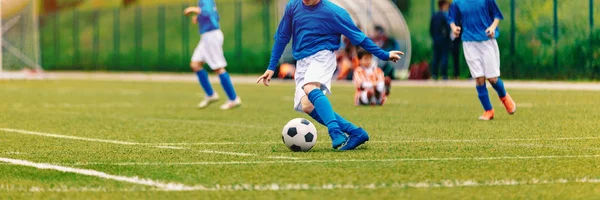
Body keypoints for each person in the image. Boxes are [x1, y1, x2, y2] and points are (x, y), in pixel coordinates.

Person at [256, 0, 403, 150]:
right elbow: (282, 37)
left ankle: (335, 131)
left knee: (310, 87)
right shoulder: (292, 7)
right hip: (302, 61)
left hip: (323, 56)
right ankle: (356, 133)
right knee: (306, 105)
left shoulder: (334, 12)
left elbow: (359, 37)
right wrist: (271, 67)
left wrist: (384, 55)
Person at [448, 0, 516, 120]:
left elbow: (497, 16)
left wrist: (492, 27)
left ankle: (504, 97)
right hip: (469, 43)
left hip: (487, 41)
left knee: (492, 78)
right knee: (479, 78)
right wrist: (454, 28)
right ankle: (488, 110)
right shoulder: (458, 2)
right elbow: (452, 18)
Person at [184, 0, 241, 110]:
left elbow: (208, 11)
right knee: (195, 64)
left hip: (211, 36)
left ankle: (233, 99)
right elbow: (215, 16)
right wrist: (199, 18)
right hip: (206, 37)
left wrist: (192, 9)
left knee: (218, 68)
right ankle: (211, 95)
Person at [429, 0, 451, 80]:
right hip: (444, 40)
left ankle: (434, 74)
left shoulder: (434, 16)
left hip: (436, 39)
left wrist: (434, 37)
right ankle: (444, 75)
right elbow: (448, 28)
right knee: (444, 57)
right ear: (443, 5)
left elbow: (431, 29)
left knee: (436, 57)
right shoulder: (445, 16)